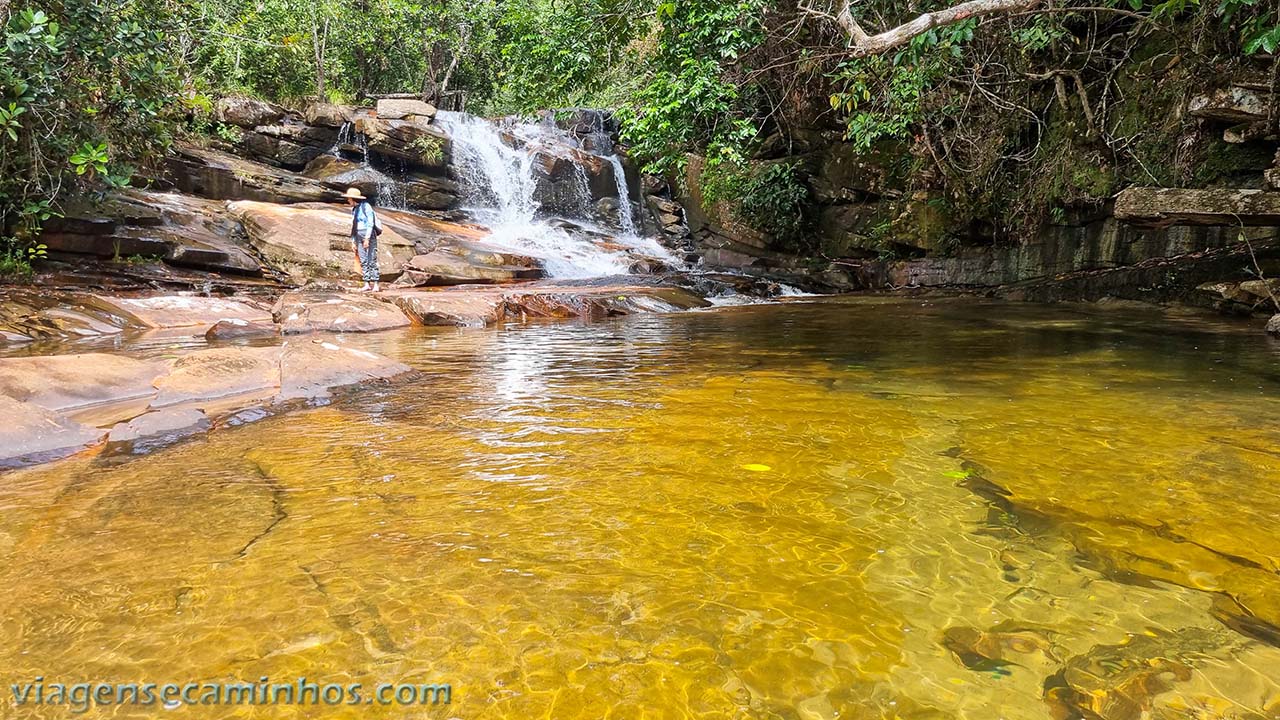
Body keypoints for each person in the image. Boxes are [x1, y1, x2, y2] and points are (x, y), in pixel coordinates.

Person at [344, 187, 382, 292]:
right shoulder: (354, 210)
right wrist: (353, 241)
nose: (348, 201)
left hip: (368, 236)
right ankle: (366, 283)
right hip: (358, 236)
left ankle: (375, 284)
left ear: (353, 198)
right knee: (363, 260)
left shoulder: (366, 207)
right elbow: (354, 226)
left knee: (372, 259)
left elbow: (370, 223)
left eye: (349, 199)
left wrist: (367, 238)